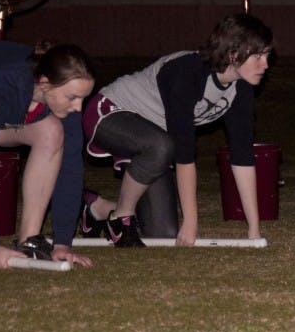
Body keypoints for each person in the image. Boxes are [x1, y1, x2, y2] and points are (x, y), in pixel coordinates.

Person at [81, 13, 273, 246]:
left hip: (154, 138)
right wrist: (191, 221)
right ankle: (121, 217)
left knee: (161, 233)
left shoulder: (240, 89)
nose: (266, 64)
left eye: (267, 55)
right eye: (259, 56)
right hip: (109, 112)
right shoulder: (186, 73)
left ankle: (96, 208)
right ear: (234, 54)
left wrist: (254, 229)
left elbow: (242, 157)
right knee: (162, 146)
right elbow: (184, 155)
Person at [0, 41, 95, 269]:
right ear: (45, 84)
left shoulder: (58, 92)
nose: (78, 107)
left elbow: (72, 167)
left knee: (52, 131)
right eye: (73, 97)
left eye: (83, 98)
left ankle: (29, 242)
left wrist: (62, 243)